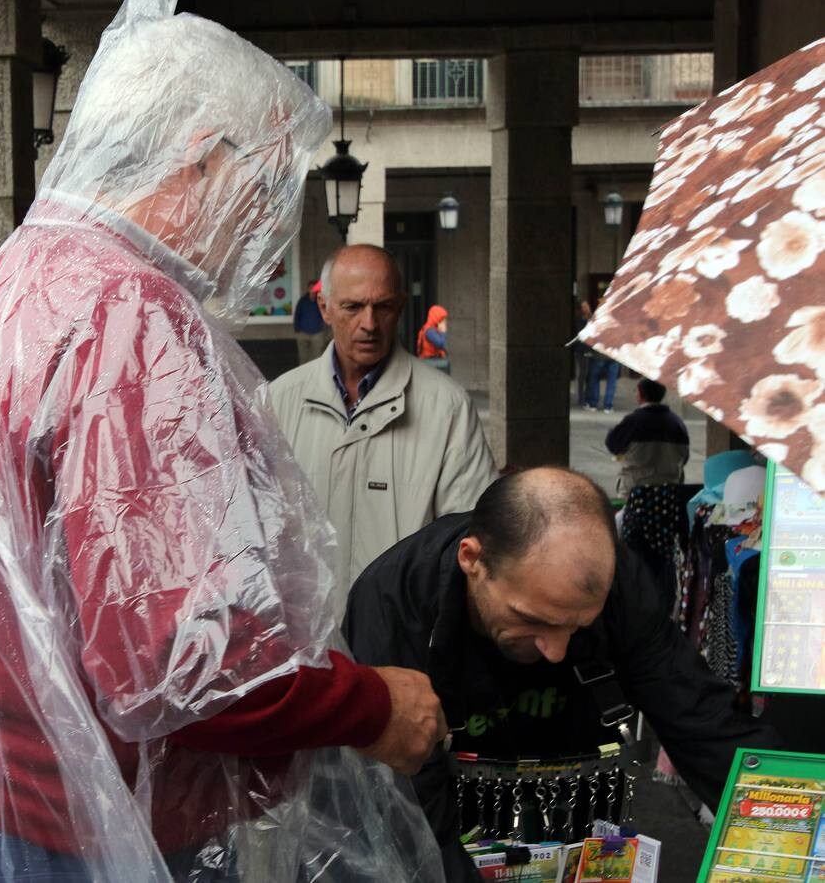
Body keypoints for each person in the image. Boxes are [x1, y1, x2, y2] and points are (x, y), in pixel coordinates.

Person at [0, 0, 447, 881]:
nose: (274, 223)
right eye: (272, 180)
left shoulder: (24, 272)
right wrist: (370, 706)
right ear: (204, 160)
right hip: (77, 827)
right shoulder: (131, 317)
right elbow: (183, 666)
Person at [343, 468, 780, 883]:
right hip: (446, 807)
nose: (555, 651)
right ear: (472, 559)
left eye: (577, 625)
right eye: (534, 619)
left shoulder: (610, 579)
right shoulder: (392, 604)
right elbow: (407, 808)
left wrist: (788, 816)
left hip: (571, 800)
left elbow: (698, 716)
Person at [269, 244, 497, 604]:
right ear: (325, 309)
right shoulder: (279, 400)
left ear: (401, 306)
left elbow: (469, 538)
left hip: (402, 641)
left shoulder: (447, 407)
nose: (369, 324)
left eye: (383, 307)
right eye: (353, 307)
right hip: (311, 639)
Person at [605, 378, 690, 499]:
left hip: (635, 490)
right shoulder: (677, 423)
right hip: (669, 492)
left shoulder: (632, 421)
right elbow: (684, 457)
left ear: (640, 393)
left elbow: (612, 444)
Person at [294, 278, 328, 364]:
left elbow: (326, 314)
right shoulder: (302, 301)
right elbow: (297, 315)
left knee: (316, 358)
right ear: (308, 289)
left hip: (317, 334)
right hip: (303, 333)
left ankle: (313, 375)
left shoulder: (321, 301)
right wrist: (297, 330)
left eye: (314, 288)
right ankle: (303, 375)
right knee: (303, 358)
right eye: (311, 288)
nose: (312, 290)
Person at [572, 299, 593, 408]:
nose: (587, 308)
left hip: (591, 350)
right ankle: (581, 398)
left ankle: (588, 397)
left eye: (587, 306)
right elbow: (581, 334)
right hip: (581, 351)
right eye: (584, 306)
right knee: (582, 375)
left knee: (590, 375)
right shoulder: (579, 320)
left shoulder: (592, 318)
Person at [417, 304, 450, 371]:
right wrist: (443, 332)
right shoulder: (429, 331)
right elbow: (441, 344)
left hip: (432, 362)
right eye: (442, 319)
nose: (444, 322)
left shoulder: (433, 329)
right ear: (436, 318)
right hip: (430, 363)